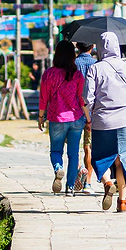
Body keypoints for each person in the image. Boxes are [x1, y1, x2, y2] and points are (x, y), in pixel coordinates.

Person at [84, 32, 126, 212]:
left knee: (100, 158)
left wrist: (95, 109)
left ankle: (108, 183)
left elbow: (87, 98)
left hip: (102, 122)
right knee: (123, 160)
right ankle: (123, 202)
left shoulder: (95, 69)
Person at [38, 40, 86, 197]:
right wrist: (88, 117)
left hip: (57, 118)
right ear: (73, 55)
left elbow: (43, 98)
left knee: (56, 150)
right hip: (76, 119)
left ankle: (58, 168)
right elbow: (81, 98)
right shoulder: (77, 74)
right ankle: (70, 188)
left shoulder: (49, 74)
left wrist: (40, 117)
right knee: (74, 154)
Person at [73, 42, 96, 194]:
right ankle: (88, 183)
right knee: (89, 146)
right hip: (92, 110)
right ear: (92, 46)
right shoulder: (97, 65)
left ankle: (79, 169)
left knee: (74, 146)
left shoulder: (72, 64)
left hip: (74, 110)